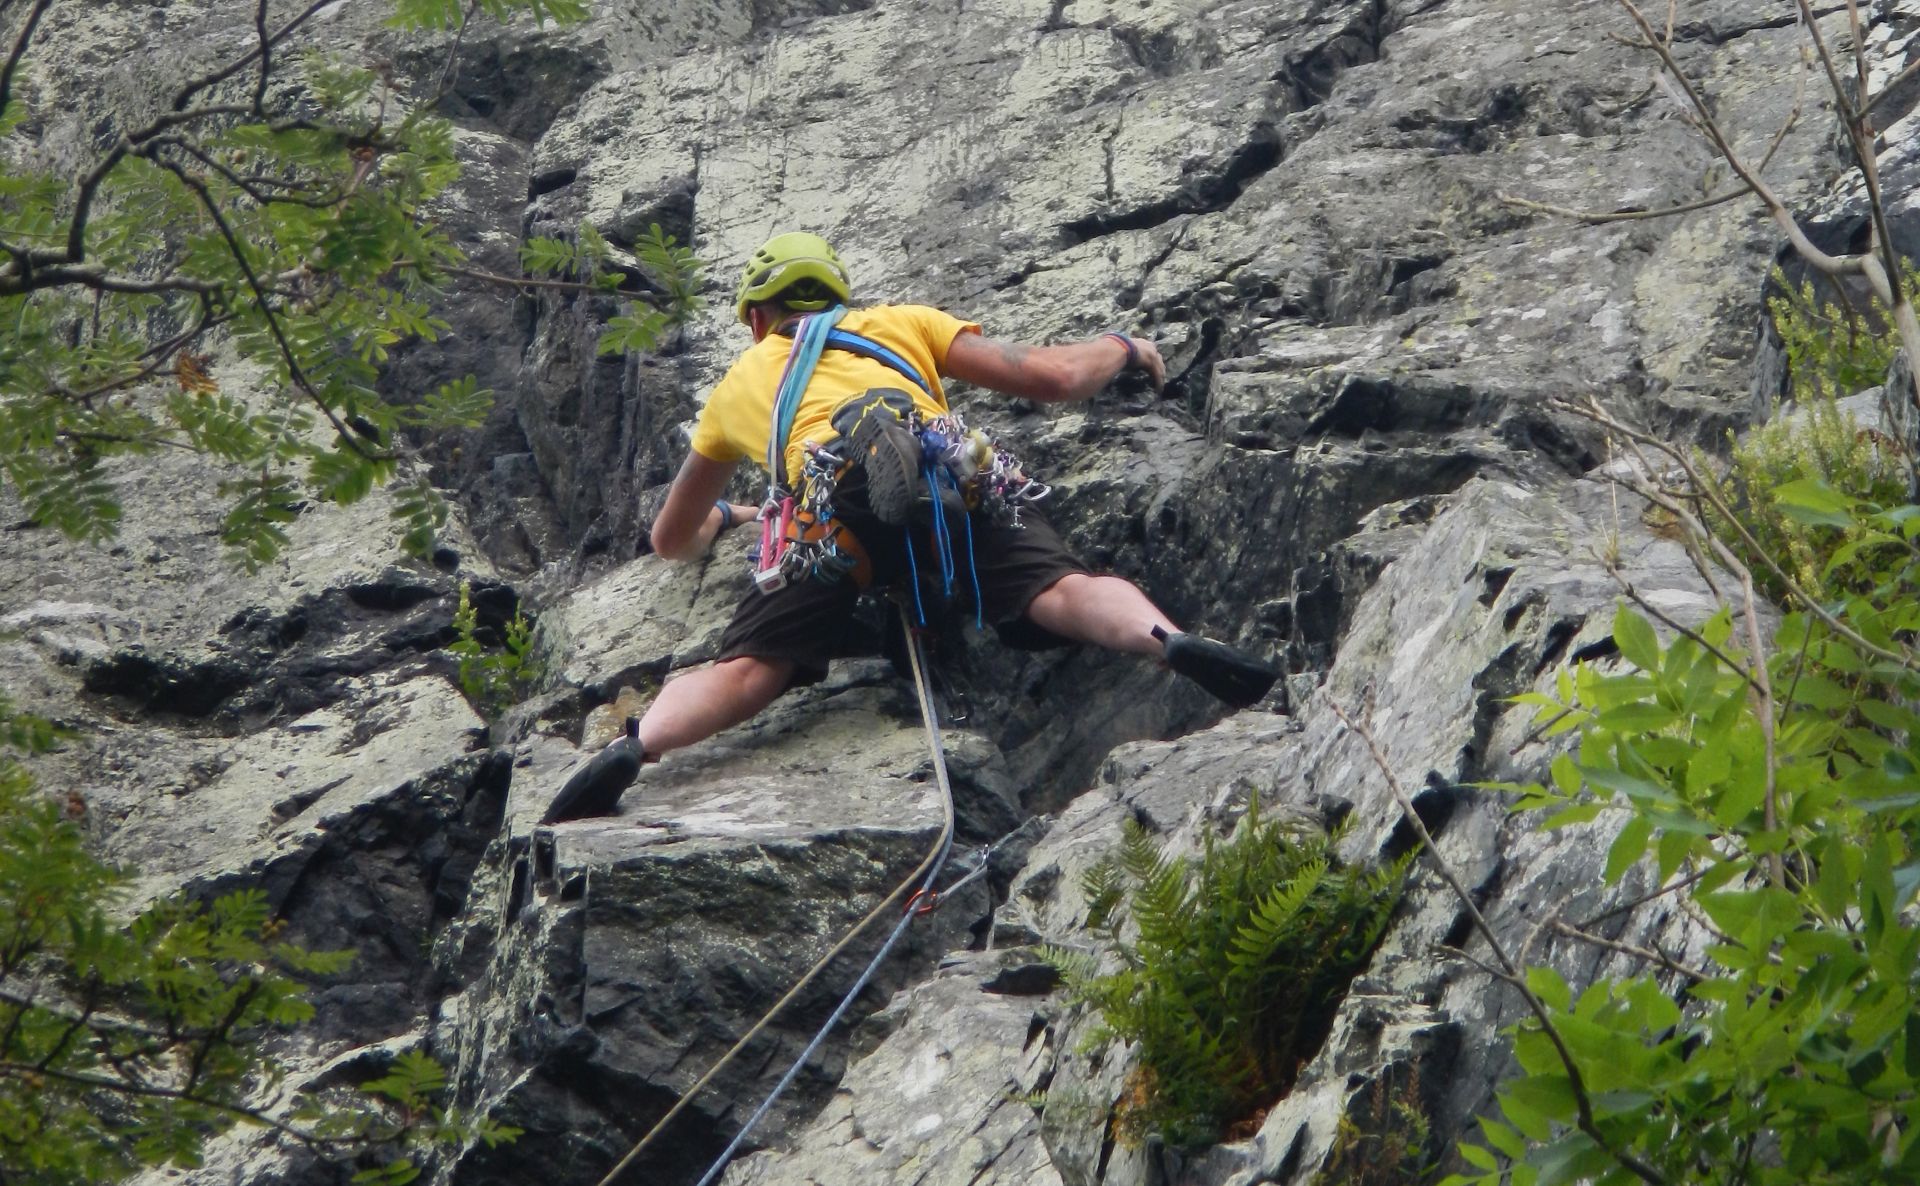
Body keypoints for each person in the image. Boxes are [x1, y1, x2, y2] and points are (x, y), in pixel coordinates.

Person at [541, 232, 1277, 823]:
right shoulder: (898, 323)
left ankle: (638, 749)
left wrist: (730, 516)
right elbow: (1051, 377)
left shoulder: (738, 385)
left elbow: (670, 539)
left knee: (752, 666)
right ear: (835, 296)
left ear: (758, 318)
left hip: (831, 509)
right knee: (1058, 587)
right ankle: (1166, 640)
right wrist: (1121, 346)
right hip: (948, 465)